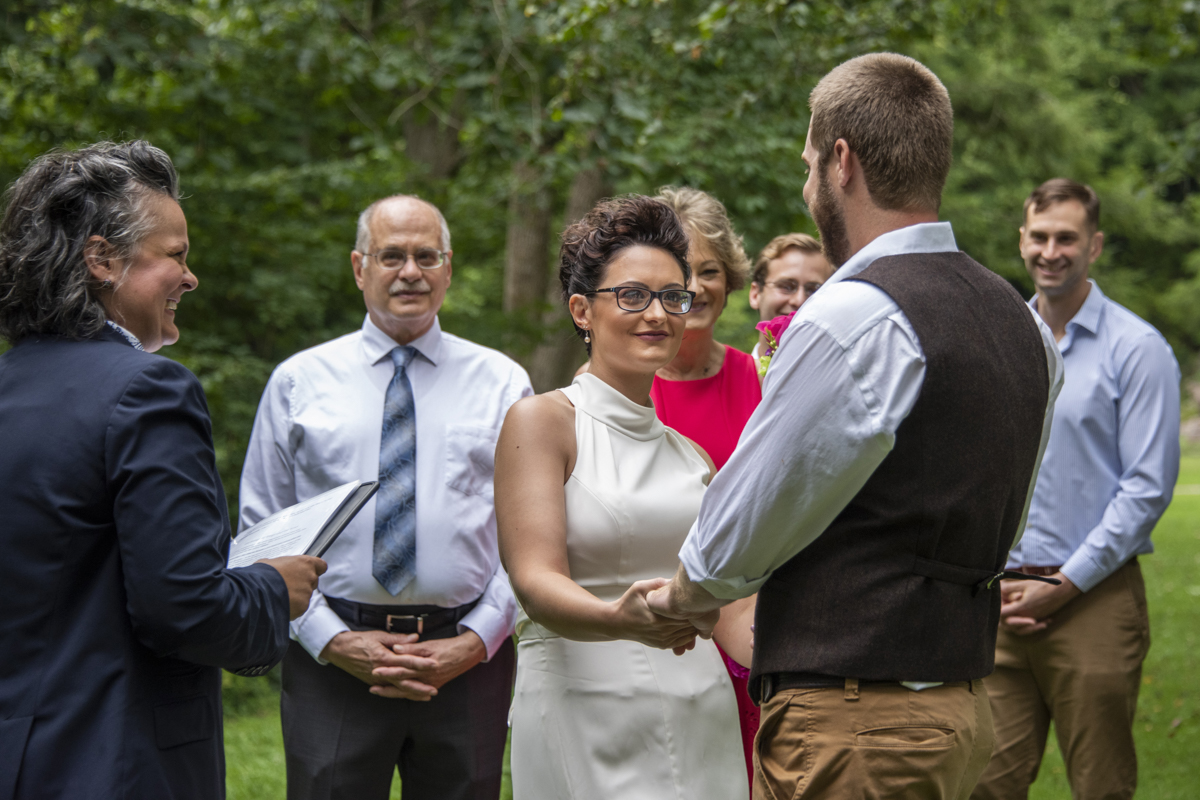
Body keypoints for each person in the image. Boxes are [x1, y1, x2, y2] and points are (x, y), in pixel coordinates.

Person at [647, 53, 1065, 800]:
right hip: (963, 710)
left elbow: (749, 517)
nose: (807, 187)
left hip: (856, 725)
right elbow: (1004, 512)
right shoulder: (1020, 322)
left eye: (809, 166)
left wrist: (684, 595)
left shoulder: (856, 316)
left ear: (843, 162)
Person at [0, 141, 324, 800]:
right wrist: (272, 587)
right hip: (116, 766)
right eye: (175, 255)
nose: (191, 276)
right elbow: (184, 609)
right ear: (102, 260)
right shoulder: (149, 391)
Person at [239, 194, 531, 800]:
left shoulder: (503, 383)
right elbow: (260, 529)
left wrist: (477, 639)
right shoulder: (298, 382)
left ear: (448, 268)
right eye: (391, 255)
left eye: (427, 256)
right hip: (334, 661)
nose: (410, 272)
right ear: (358, 267)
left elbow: (526, 534)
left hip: (465, 663)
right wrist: (331, 640)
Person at [497, 194, 748, 800]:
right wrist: (617, 619)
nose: (658, 314)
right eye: (633, 295)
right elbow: (534, 578)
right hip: (586, 710)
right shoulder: (541, 422)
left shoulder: (693, 457)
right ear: (582, 310)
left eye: (673, 297)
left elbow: (735, 611)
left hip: (703, 708)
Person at [971, 179, 1180, 800]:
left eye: (1068, 238)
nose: (1051, 250)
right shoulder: (1003, 337)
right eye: (1040, 236)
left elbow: (1145, 491)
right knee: (984, 785)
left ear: (1095, 247)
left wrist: (1062, 588)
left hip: (1092, 599)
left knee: (1101, 786)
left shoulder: (1137, 349)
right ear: (1022, 241)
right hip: (1002, 604)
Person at [649, 186, 761, 786]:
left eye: (709, 270)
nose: (694, 286)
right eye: (678, 271)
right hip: (654, 628)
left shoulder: (764, 379)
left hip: (747, 633)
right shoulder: (615, 389)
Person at [747, 233, 833, 360]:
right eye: (786, 287)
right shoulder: (731, 378)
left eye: (813, 290)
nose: (799, 300)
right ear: (755, 295)